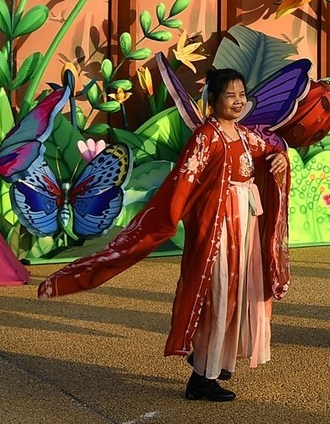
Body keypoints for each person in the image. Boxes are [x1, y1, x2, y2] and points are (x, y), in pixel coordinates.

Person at [38, 68, 291, 402]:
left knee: (238, 295)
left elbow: (270, 151)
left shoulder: (245, 136)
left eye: (241, 94)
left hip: (244, 228)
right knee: (217, 298)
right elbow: (182, 185)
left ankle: (215, 361)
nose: (238, 101)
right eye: (230, 95)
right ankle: (202, 378)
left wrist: (279, 160)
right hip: (217, 232)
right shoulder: (206, 138)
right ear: (212, 101)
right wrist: (171, 220)